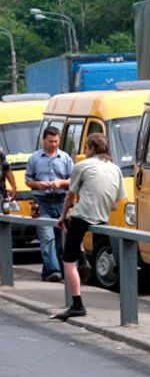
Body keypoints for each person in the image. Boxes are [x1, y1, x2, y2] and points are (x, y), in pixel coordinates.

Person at [50, 133, 126, 320]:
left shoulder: (82, 165)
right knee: (74, 223)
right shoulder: (116, 168)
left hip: (83, 217)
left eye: (86, 148)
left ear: (90, 148)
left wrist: (61, 216)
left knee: (67, 259)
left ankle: (77, 304)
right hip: (103, 217)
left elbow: (70, 196)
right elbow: (116, 203)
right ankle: (83, 257)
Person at [25, 127, 74, 282]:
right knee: (47, 238)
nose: (54, 144)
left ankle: (51, 271)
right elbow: (28, 180)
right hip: (42, 202)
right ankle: (54, 272)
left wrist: (60, 183)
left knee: (61, 241)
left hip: (61, 202)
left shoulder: (65, 158)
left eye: (56, 141)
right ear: (43, 141)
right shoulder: (34, 158)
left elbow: (73, 181)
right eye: (50, 141)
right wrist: (38, 184)